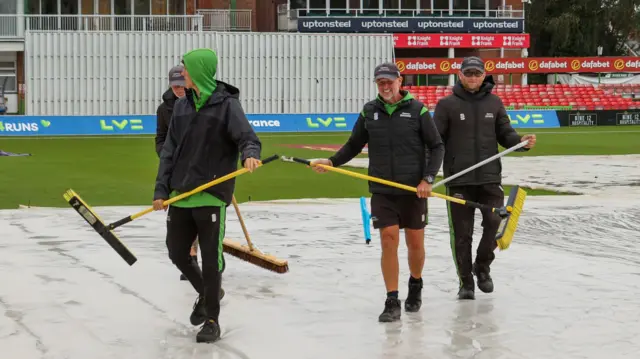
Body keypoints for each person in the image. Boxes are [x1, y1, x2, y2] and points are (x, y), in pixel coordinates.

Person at [310, 62, 445, 323]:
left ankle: (415, 283)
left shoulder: (418, 111)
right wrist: (331, 162)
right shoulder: (369, 112)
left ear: (399, 82)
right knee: (388, 239)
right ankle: (392, 299)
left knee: (415, 244)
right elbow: (353, 144)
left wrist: (428, 178)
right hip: (383, 189)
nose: (385, 86)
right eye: (380, 82)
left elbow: (437, 146)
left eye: (389, 81)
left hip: (413, 191)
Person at [153, 47, 262, 343]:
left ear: (199, 71)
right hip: (182, 193)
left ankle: (212, 319)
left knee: (212, 259)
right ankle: (207, 292)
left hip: (211, 193)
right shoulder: (182, 107)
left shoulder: (227, 105)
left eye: (186, 69)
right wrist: (161, 189)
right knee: (177, 252)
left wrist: (250, 155)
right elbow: (169, 152)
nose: (183, 74)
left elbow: (247, 137)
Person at [432, 56, 537, 301]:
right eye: (468, 73)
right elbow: (435, 142)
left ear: (483, 75)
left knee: (494, 223)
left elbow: (505, 134)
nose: (472, 77)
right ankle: (466, 283)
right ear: (460, 75)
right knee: (462, 234)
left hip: (490, 178)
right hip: (459, 181)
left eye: (476, 73)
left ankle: (482, 266)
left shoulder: (494, 102)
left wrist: (521, 143)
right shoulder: (446, 105)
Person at [154, 65, 201, 281]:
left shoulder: (199, 104)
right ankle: (186, 255)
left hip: (200, 166)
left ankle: (195, 255)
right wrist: (166, 155)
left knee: (201, 209)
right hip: (175, 168)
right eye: (175, 86)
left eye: (182, 85)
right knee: (181, 209)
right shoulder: (164, 109)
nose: (179, 90)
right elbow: (161, 138)